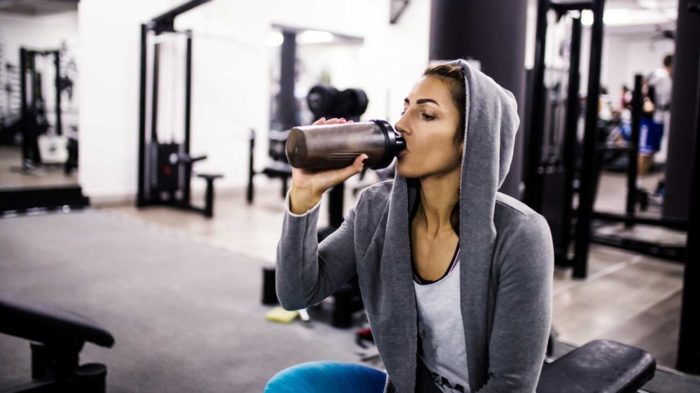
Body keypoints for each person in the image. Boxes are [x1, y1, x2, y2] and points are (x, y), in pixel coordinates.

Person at [267, 59, 553, 393]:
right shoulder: (376, 209)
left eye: (426, 114)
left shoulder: (521, 234)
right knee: (290, 387)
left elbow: (511, 386)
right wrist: (304, 196)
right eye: (405, 108)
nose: (401, 124)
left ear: (470, 139)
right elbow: (296, 293)